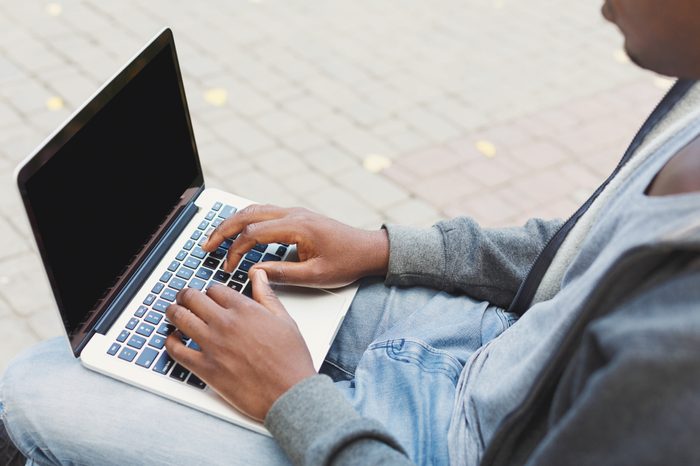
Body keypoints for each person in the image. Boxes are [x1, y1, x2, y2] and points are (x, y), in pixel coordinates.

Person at [2, 0, 700, 464]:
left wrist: (292, 398)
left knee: (32, 389)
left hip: (454, 447)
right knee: (199, 283)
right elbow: (582, 251)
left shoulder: (681, 353)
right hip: (498, 351)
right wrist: (383, 248)